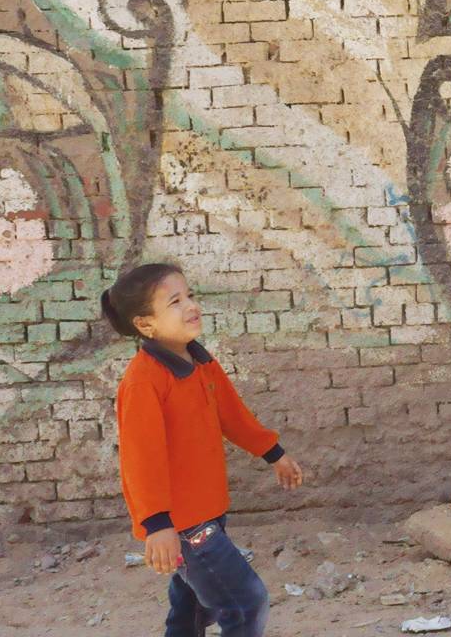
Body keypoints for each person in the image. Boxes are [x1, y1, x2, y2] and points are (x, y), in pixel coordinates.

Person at [106, 262, 306, 637]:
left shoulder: (200, 361)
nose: (190, 306)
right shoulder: (143, 382)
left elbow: (232, 415)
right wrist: (157, 525)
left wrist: (274, 453)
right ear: (145, 325)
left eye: (190, 296)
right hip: (184, 524)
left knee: (192, 611)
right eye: (175, 301)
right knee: (245, 603)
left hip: (210, 513)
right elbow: (140, 459)